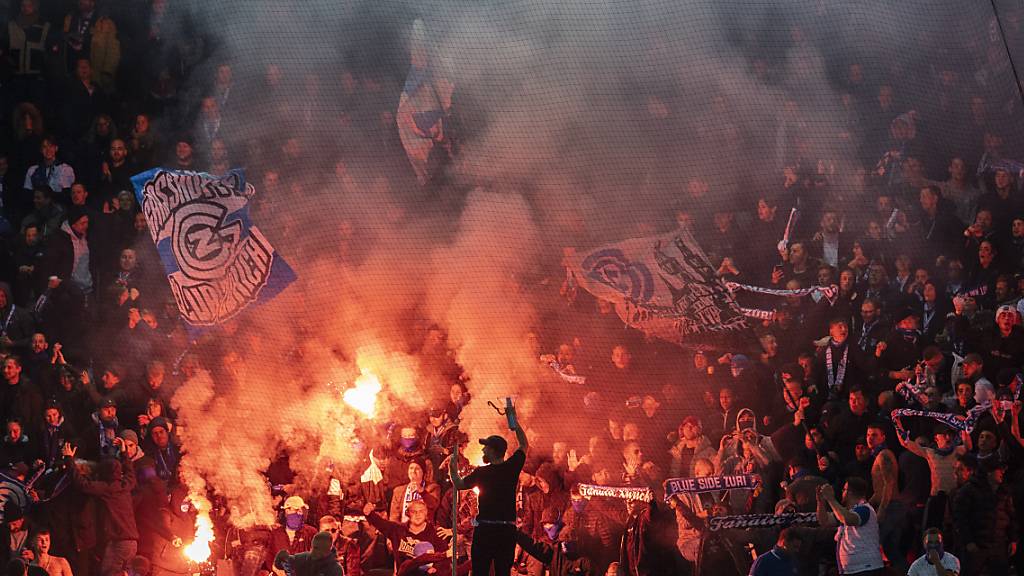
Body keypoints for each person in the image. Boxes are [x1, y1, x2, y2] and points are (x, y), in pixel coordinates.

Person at [449, 402, 529, 576]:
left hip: (485, 532)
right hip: (506, 532)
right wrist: (513, 421)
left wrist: (452, 469)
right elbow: (524, 445)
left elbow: (459, 484)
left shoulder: (481, 473)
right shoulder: (512, 467)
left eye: (486, 447)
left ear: (493, 451)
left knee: (480, 572)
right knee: (502, 572)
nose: (483, 449)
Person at [816, 478, 884, 575]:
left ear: (850, 492)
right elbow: (824, 521)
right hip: (853, 570)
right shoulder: (846, 511)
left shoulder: (865, 509)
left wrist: (831, 499)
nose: (842, 492)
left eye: (844, 490)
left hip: (866, 569)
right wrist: (820, 502)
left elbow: (848, 520)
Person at [272, 532, 342, 576]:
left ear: (329, 548)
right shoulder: (304, 558)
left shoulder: (335, 569)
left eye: (321, 548)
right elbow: (281, 559)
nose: (317, 552)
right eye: (315, 548)